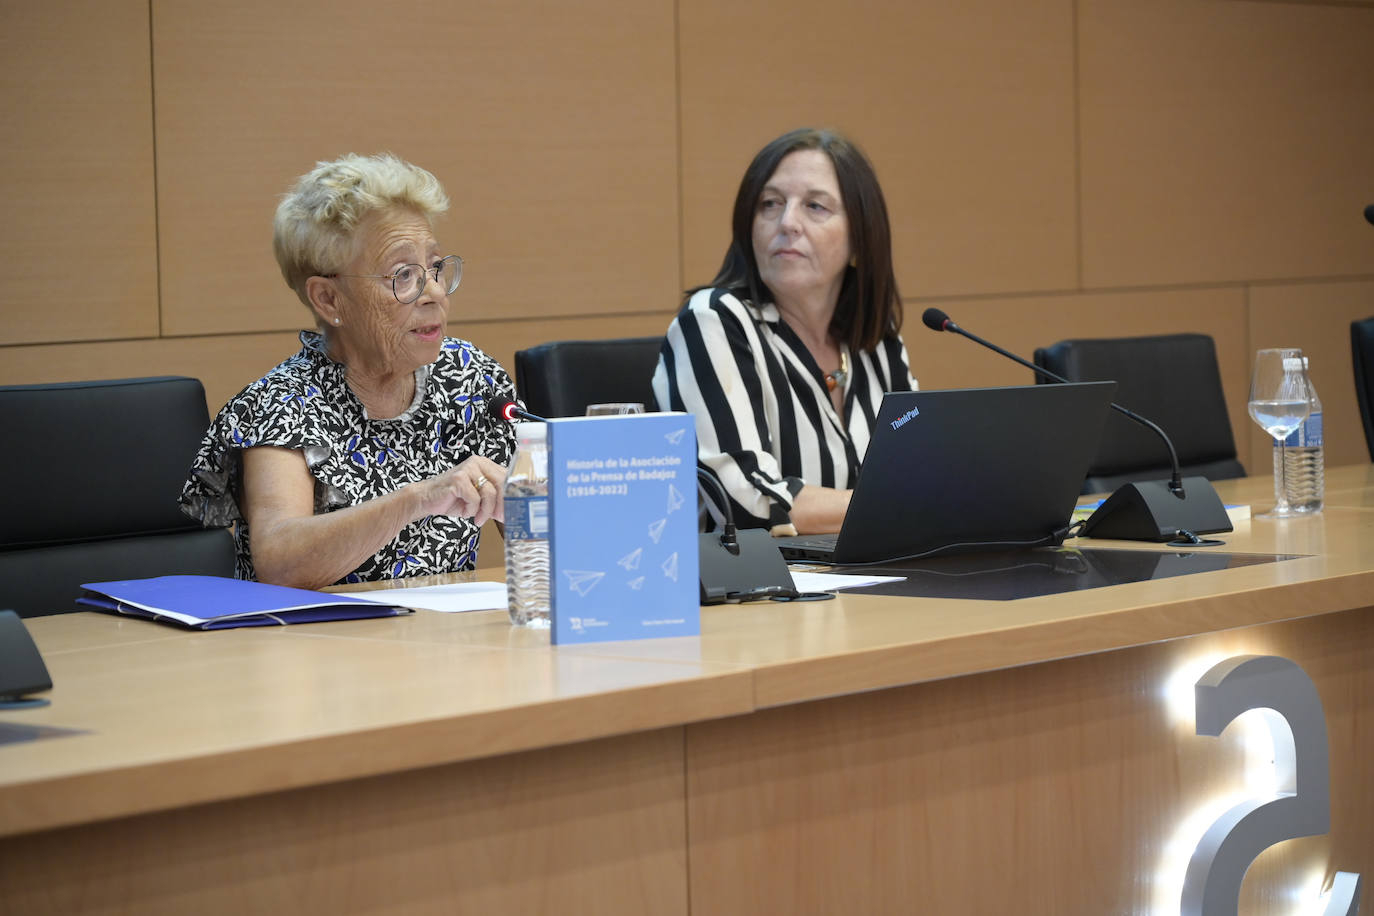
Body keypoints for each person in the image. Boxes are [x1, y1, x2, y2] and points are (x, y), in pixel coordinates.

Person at [180, 153, 517, 588]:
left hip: (445, 644)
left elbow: (548, 542)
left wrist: (537, 507)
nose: (434, 292)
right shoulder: (281, 404)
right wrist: (418, 498)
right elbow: (280, 561)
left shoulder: (470, 378)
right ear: (328, 300)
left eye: (434, 267)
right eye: (404, 274)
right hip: (315, 647)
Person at [652, 128, 917, 535]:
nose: (787, 222)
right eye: (770, 204)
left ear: (860, 235)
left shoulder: (875, 337)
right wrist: (898, 505)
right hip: (756, 591)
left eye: (815, 206)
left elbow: (921, 473)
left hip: (874, 581)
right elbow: (747, 502)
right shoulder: (713, 322)